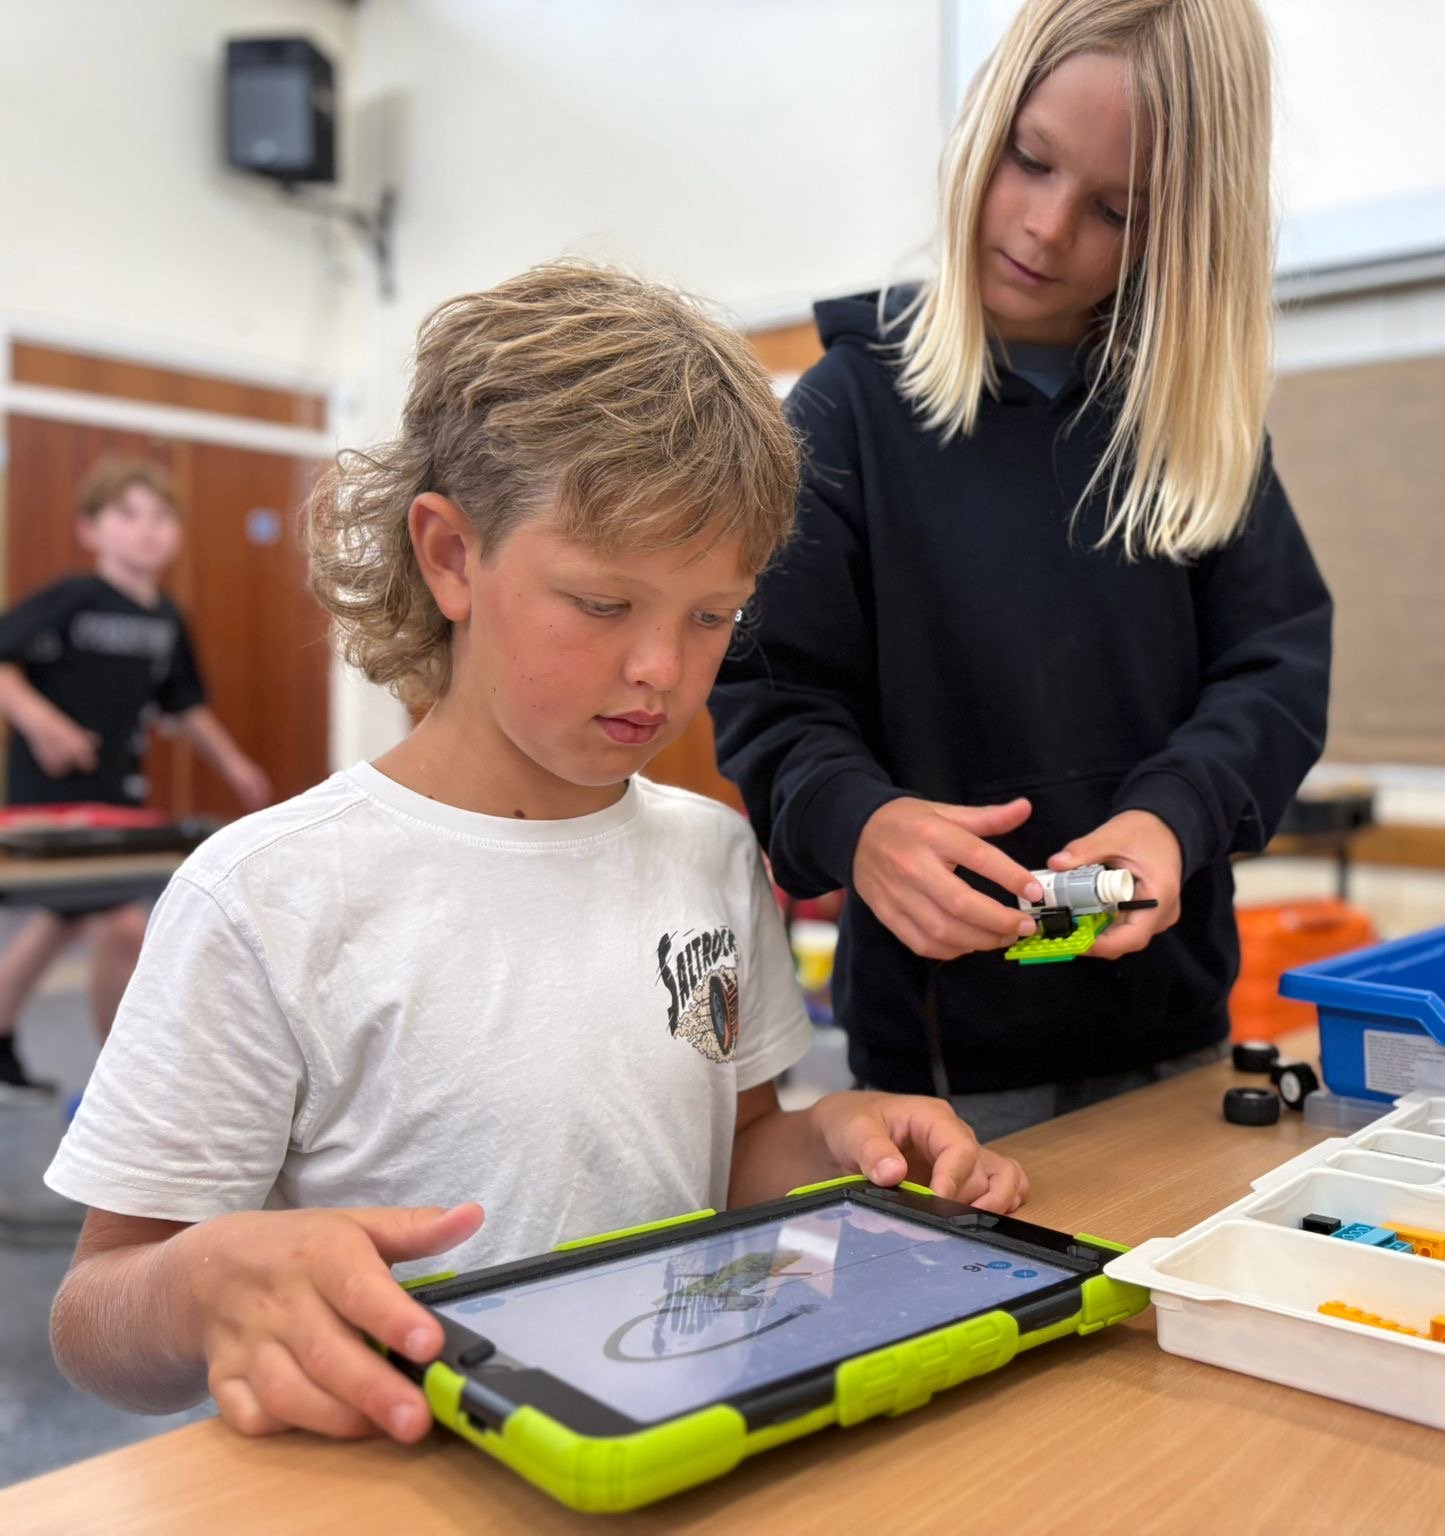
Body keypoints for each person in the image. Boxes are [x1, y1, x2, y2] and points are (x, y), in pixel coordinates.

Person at [45, 262, 1025, 1445]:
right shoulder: (269, 893)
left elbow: (736, 1154)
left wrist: (838, 1139)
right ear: (451, 557)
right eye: (604, 605)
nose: (662, 668)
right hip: (397, 1470)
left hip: (665, 1443)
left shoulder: (711, 853)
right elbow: (97, 1317)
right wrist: (202, 1288)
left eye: (711, 616)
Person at [712, 0, 1331, 1139]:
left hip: (1170, 1041)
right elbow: (774, 699)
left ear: (1177, 233)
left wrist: (1174, 814)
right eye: (1029, 161)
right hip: (939, 1070)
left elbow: (1273, 672)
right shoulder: (846, 412)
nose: (1045, 230)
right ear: (981, 123)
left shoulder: (1196, 425)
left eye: (1113, 210)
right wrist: (858, 823)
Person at [0, 459, 269, 1099]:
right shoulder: (72, 599)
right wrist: (43, 724)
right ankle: (120, 1094)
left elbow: (186, 707)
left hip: (117, 789)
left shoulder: (168, 619)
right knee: (123, 925)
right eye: (128, 515)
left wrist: (234, 765)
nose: (147, 530)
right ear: (91, 530)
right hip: (54, 795)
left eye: (160, 516)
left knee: (64, 918)